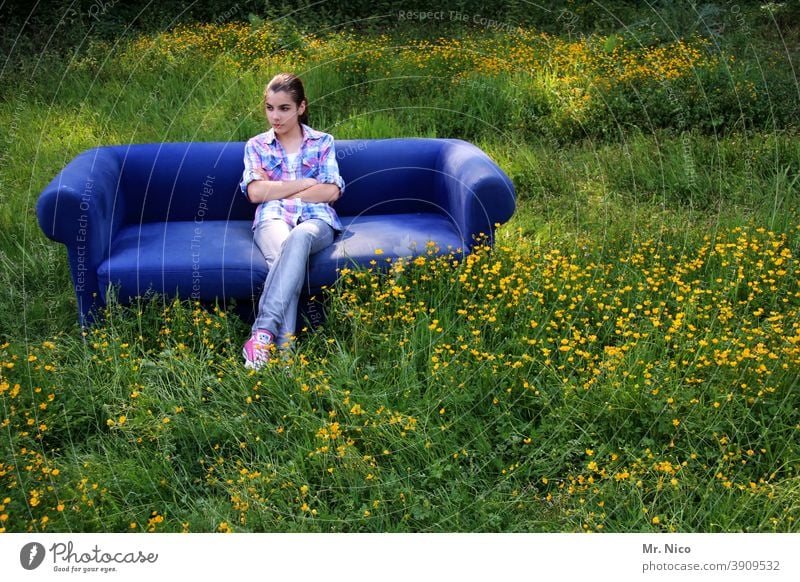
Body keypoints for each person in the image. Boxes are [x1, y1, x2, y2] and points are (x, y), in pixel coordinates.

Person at [239, 72, 345, 370]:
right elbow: (256, 193)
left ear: (301, 107)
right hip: (272, 219)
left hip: (317, 221)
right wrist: (305, 182)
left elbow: (331, 191)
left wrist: (277, 187)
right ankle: (286, 359)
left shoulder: (323, 142)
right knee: (285, 259)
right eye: (270, 108)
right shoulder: (257, 145)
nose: (275, 116)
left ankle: (261, 334)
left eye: (284, 108)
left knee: (297, 238)